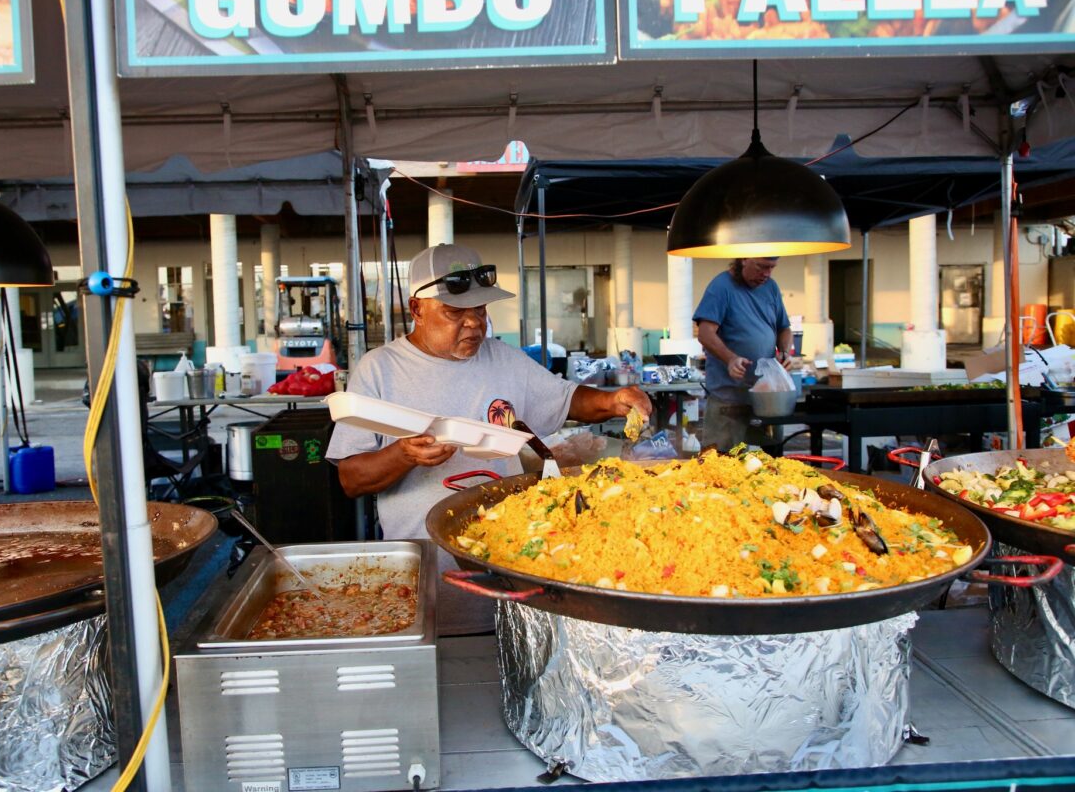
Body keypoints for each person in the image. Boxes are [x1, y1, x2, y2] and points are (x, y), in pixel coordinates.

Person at [326, 243, 652, 634]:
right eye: (454, 313)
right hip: (433, 579)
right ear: (417, 309)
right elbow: (351, 478)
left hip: (511, 569)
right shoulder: (379, 371)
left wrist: (613, 400)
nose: (473, 325)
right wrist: (404, 454)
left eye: (480, 311)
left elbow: (567, 399)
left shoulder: (502, 358)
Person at [693, 257, 794, 452]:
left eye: (772, 268)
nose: (766, 274)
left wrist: (784, 352)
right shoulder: (721, 287)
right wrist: (730, 359)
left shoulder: (771, 287)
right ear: (744, 259)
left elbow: (784, 328)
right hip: (729, 400)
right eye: (761, 267)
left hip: (767, 398)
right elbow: (705, 333)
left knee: (771, 468)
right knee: (720, 464)